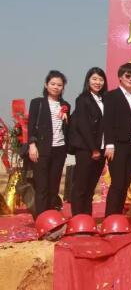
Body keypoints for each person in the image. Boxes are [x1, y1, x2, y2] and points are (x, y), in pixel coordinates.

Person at [28, 70, 71, 217]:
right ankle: (41, 218)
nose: (56, 87)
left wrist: (67, 120)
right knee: (42, 187)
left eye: (59, 85)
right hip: (41, 150)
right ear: (46, 85)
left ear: (63, 87)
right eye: (53, 84)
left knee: (54, 187)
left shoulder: (65, 105)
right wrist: (32, 145)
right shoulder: (37, 103)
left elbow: (68, 129)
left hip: (59, 150)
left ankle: (52, 217)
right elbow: (31, 125)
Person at [103, 63, 131, 217]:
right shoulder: (111, 96)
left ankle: (118, 216)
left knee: (126, 182)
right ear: (120, 77)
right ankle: (110, 217)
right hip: (118, 144)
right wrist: (109, 144)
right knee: (117, 183)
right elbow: (108, 121)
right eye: (128, 76)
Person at [69, 67, 108, 216]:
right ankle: (77, 218)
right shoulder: (83, 99)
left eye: (101, 79)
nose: (98, 82)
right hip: (87, 149)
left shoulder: (104, 99)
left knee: (91, 186)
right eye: (94, 79)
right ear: (88, 81)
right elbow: (83, 125)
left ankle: (86, 217)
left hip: (101, 149)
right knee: (81, 186)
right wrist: (93, 149)